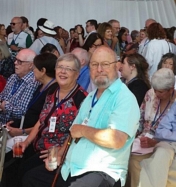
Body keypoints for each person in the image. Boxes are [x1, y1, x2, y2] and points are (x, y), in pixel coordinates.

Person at [22, 46, 140, 187]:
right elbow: (73, 132)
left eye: (105, 64)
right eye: (94, 64)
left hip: (101, 171)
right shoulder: (91, 97)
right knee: (31, 178)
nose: (99, 69)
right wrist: (59, 154)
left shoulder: (124, 98)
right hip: (71, 167)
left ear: (117, 66)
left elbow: (117, 139)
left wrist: (83, 130)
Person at [128, 68, 176, 187]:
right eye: (155, 90)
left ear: (171, 90)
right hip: (142, 143)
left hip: (165, 145)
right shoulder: (150, 94)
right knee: (133, 161)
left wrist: (155, 142)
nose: (156, 94)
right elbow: (139, 119)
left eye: (160, 91)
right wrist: (132, 136)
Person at [5, 53, 58, 153]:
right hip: (22, 128)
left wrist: (22, 131)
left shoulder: (53, 91)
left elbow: (44, 122)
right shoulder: (40, 86)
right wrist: (15, 123)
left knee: (6, 146)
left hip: (31, 134)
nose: (32, 71)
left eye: (34, 68)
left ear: (43, 71)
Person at [0, 49, 39, 125]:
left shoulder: (33, 82)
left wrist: (4, 105)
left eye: (19, 61)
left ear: (30, 65)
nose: (15, 63)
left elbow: (22, 112)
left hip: (12, 126)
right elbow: (2, 96)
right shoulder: (13, 77)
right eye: (15, 60)